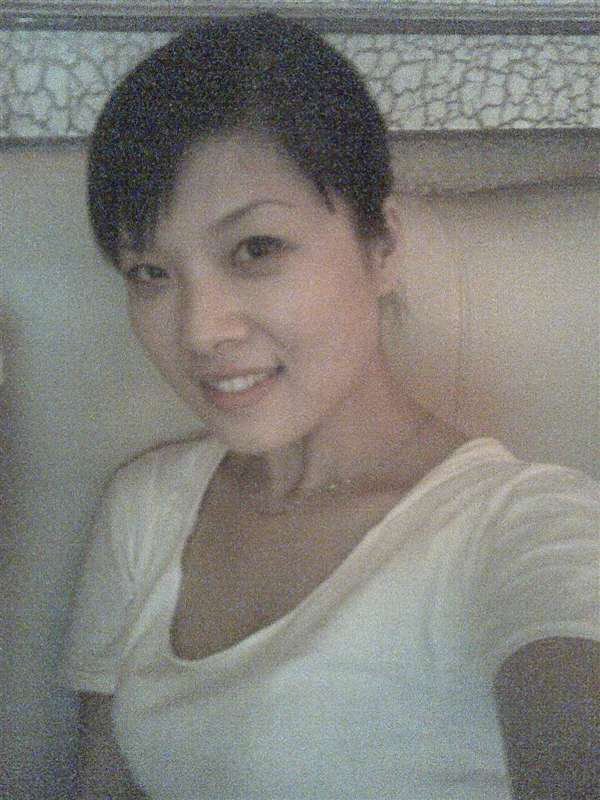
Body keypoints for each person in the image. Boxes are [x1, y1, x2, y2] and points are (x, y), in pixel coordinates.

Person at [63, 13, 599, 800]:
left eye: (256, 249)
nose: (200, 331)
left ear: (382, 246)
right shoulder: (147, 509)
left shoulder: (523, 526)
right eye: (150, 272)